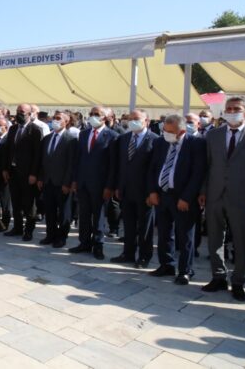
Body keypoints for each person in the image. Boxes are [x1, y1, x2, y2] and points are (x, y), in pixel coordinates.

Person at [199, 96, 245, 301]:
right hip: (215, 194)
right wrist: (203, 190)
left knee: (241, 241)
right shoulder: (214, 135)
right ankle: (219, 276)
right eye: (228, 108)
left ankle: (238, 281)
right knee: (215, 238)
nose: (231, 112)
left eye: (236, 109)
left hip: (242, 197)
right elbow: (207, 165)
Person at [148, 115, 206, 286]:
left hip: (182, 198)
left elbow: (198, 174)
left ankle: (185, 271)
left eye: (169, 131)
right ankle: (166, 265)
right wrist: (152, 191)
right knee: (164, 233)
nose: (164, 133)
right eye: (164, 130)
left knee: (185, 236)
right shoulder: (160, 143)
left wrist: (186, 197)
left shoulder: (196, 144)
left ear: (181, 131)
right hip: (162, 195)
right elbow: (153, 168)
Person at [111, 109, 158, 267]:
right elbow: (120, 165)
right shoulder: (124, 138)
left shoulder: (155, 140)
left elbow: (155, 168)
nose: (133, 122)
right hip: (126, 190)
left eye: (137, 119)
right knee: (129, 225)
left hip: (145, 192)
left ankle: (144, 256)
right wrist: (118, 186)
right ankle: (128, 253)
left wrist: (152, 192)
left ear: (147, 121)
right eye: (130, 119)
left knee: (145, 227)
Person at [70, 105, 119, 260]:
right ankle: (84, 243)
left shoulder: (112, 136)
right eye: (91, 114)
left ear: (104, 117)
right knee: (84, 215)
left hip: (100, 184)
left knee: (98, 216)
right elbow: (78, 159)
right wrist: (75, 180)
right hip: (83, 182)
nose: (92, 116)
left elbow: (113, 165)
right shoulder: (84, 134)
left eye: (96, 114)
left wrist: (109, 186)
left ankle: (98, 245)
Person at [2, 103, 43, 241]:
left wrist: (34, 174)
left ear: (30, 114)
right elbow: (8, 150)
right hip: (13, 171)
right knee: (16, 202)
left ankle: (29, 230)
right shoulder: (13, 129)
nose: (19, 114)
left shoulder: (35, 130)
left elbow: (38, 154)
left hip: (27, 174)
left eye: (23, 112)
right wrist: (6, 169)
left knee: (29, 204)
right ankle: (17, 227)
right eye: (18, 111)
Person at [37, 111, 77, 248]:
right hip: (48, 181)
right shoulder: (47, 138)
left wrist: (67, 183)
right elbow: (43, 160)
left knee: (64, 213)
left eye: (59, 119)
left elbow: (71, 164)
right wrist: (41, 178)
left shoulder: (71, 139)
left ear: (66, 122)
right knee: (50, 211)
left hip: (62, 183)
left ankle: (61, 237)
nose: (55, 120)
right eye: (54, 118)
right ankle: (50, 235)